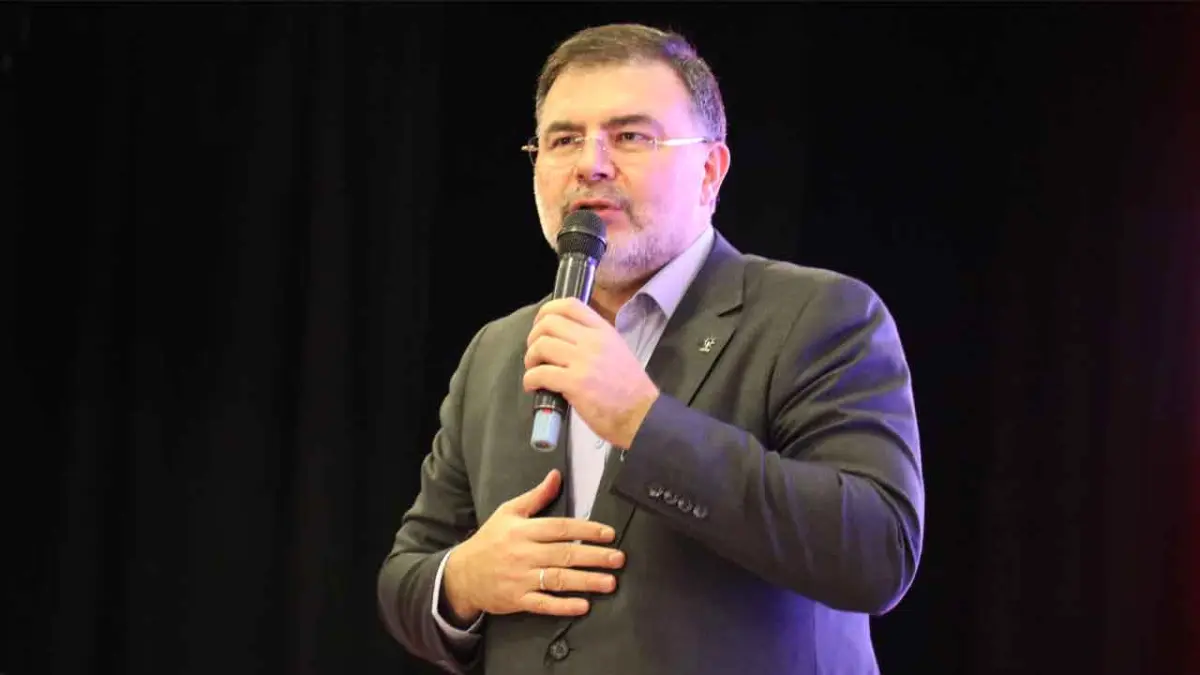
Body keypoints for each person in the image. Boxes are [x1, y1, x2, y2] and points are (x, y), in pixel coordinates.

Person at [377, 23, 924, 675]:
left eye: (631, 136)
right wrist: (464, 579)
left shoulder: (817, 315)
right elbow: (406, 577)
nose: (590, 164)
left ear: (709, 171)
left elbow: (877, 552)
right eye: (563, 139)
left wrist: (643, 422)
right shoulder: (498, 351)